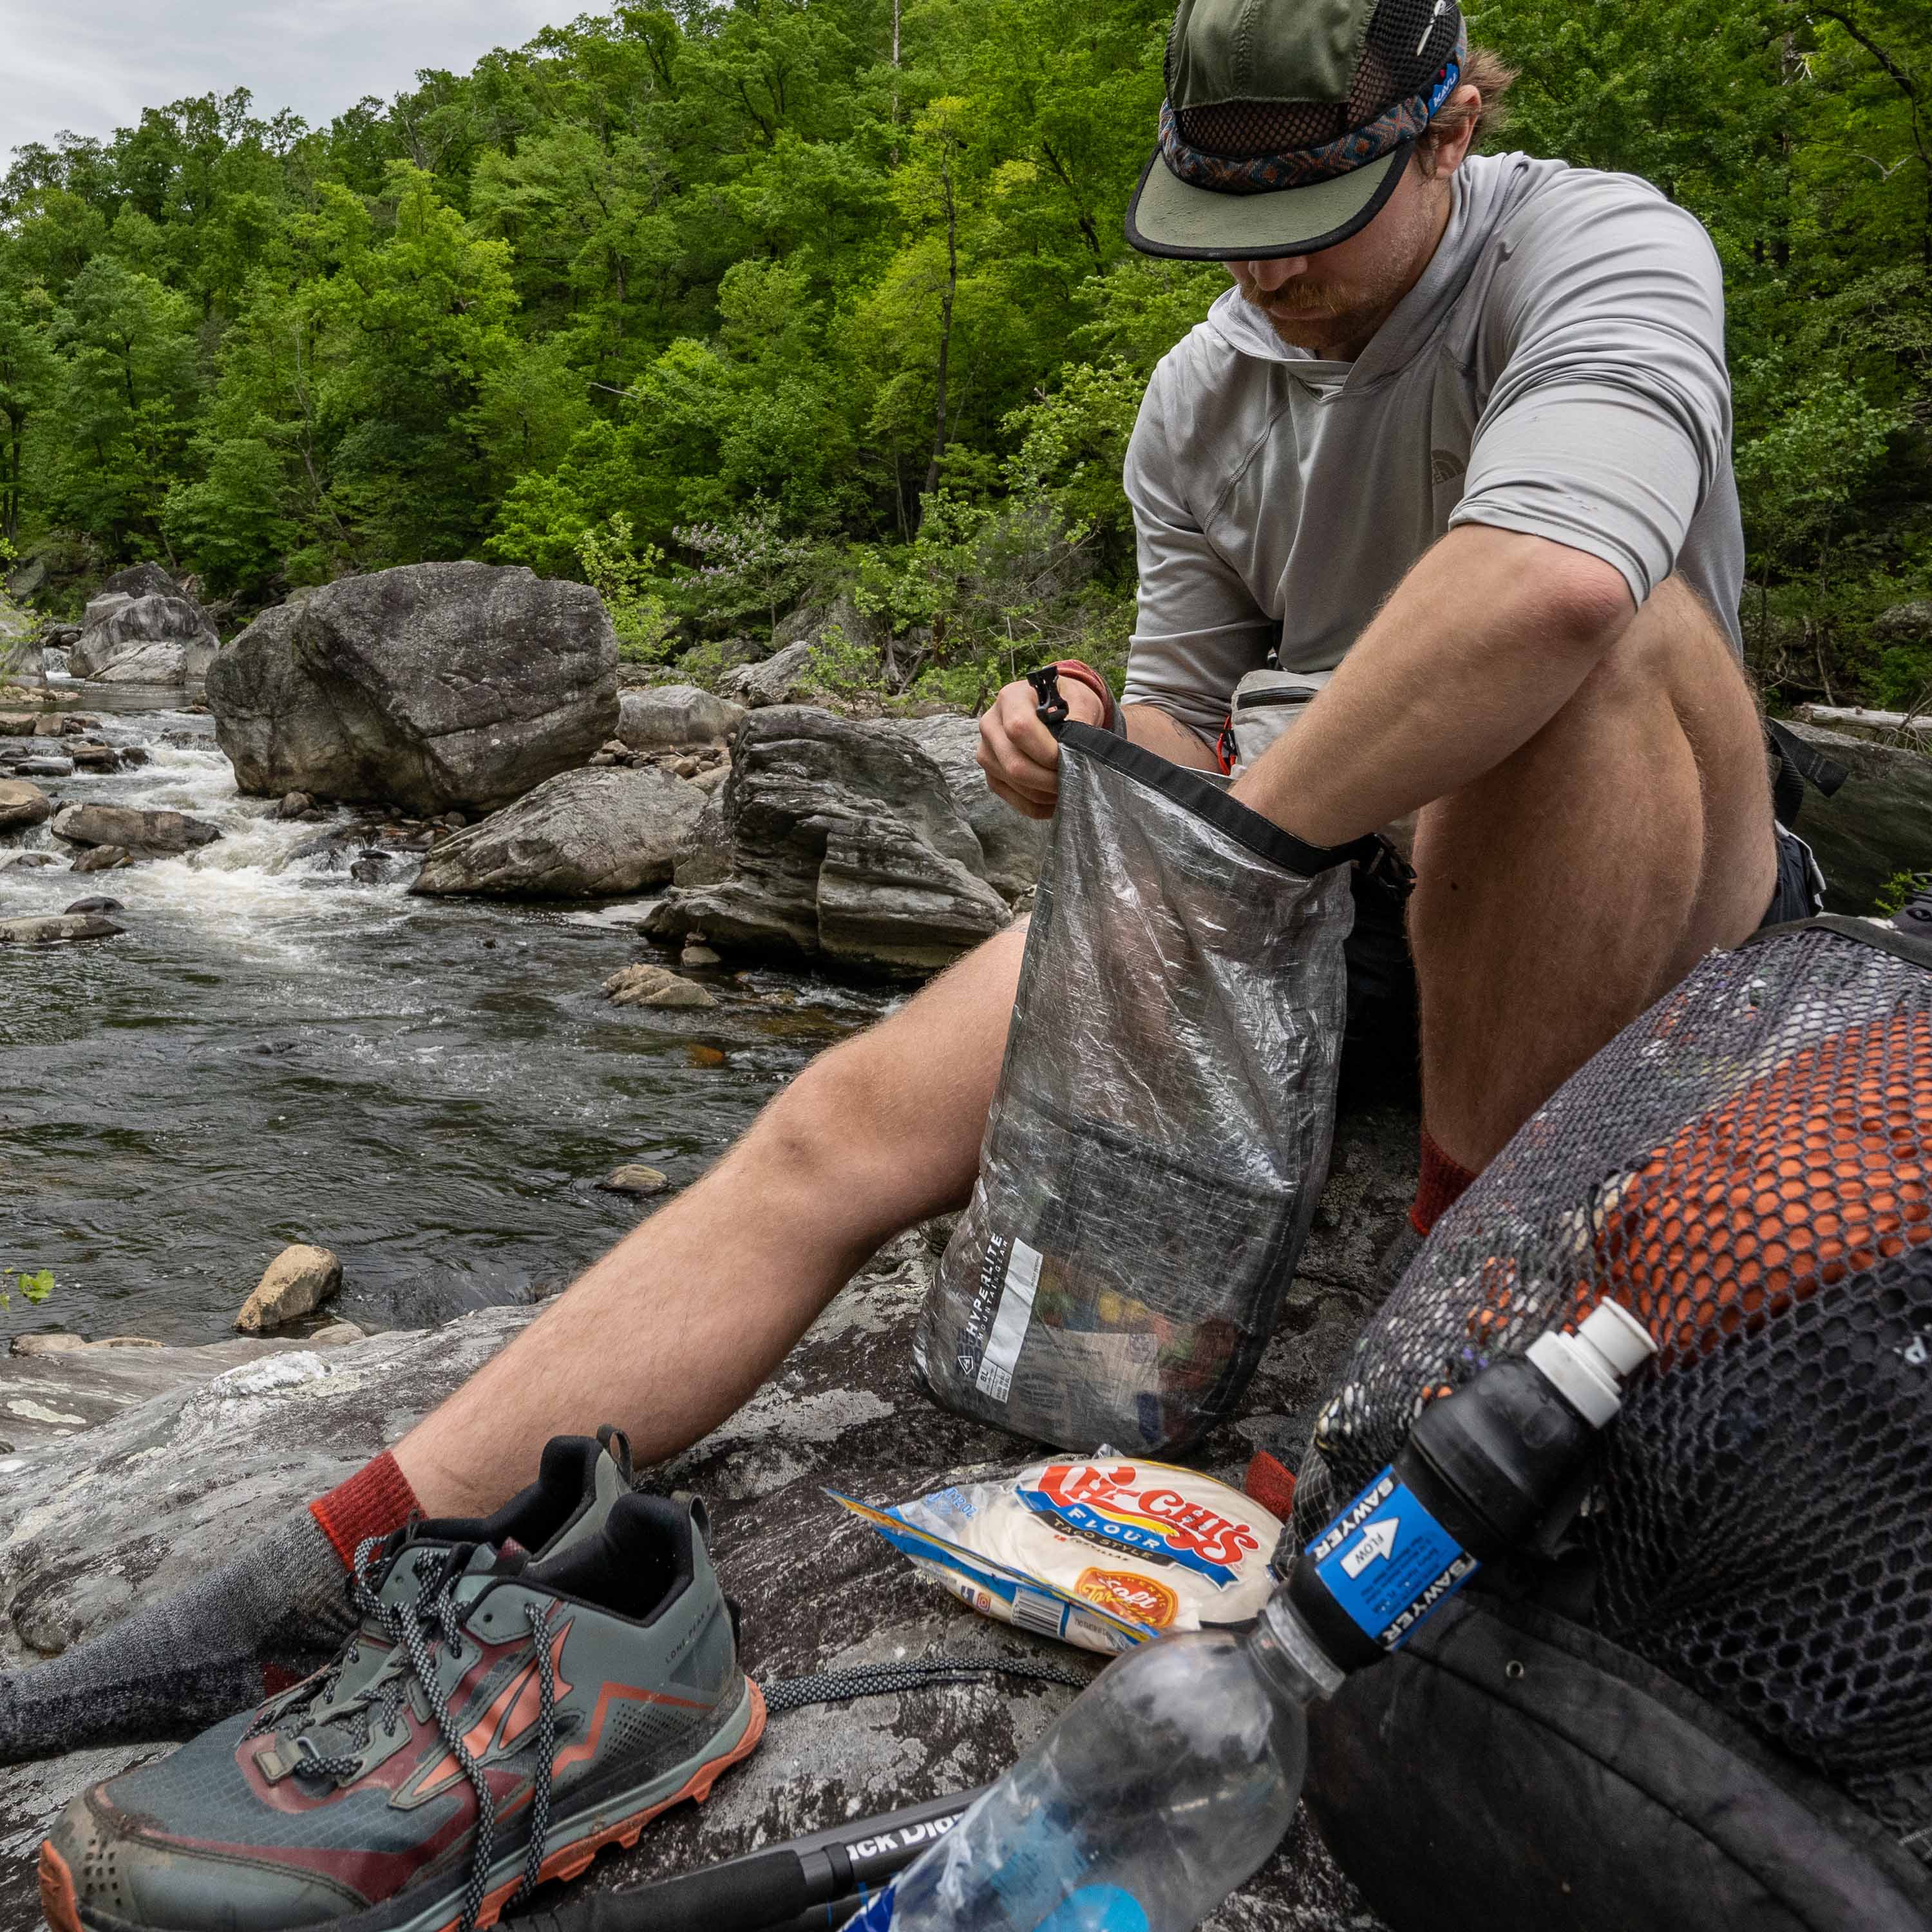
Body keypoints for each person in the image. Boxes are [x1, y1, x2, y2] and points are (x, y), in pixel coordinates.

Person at [3, 0, 1819, 1774]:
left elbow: (1556, 593)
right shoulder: (1204, 393)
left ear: (1452, 132)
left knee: (1606, 627)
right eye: (1225, 230)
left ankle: (1428, 1329)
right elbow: (1187, 719)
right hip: (1304, 888)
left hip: (1649, 899)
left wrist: (1235, 836)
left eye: (1308, 226)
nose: (1264, 274)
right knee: (833, 1127)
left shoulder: (1601, 249)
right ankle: (310, 1575)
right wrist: (1096, 748)